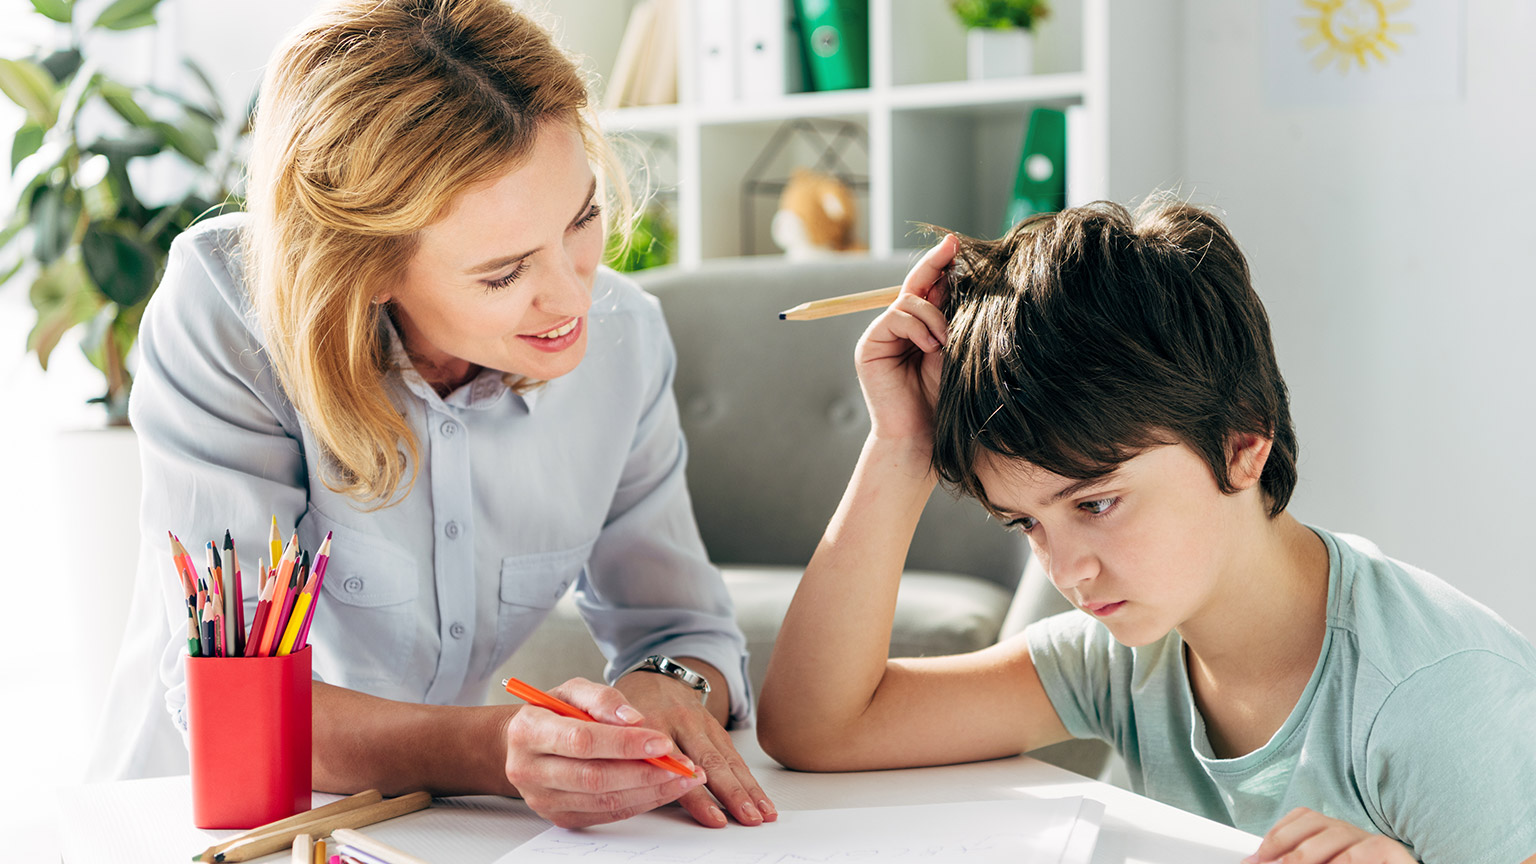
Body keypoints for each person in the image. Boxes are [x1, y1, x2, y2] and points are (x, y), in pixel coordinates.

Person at [93, 0, 777, 831]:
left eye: (582, 219)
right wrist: (493, 750)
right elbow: (230, 700)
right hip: (201, 824)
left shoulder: (625, 342)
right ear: (366, 267)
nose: (573, 294)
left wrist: (664, 689)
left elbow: (683, 625)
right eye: (502, 273)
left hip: (432, 832)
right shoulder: (230, 315)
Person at [756, 200, 1536, 863]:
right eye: (1028, 523)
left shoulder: (1439, 703)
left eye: (1095, 504)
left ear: (1242, 443)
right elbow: (818, 728)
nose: (1069, 573)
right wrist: (901, 447)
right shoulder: (1131, 659)